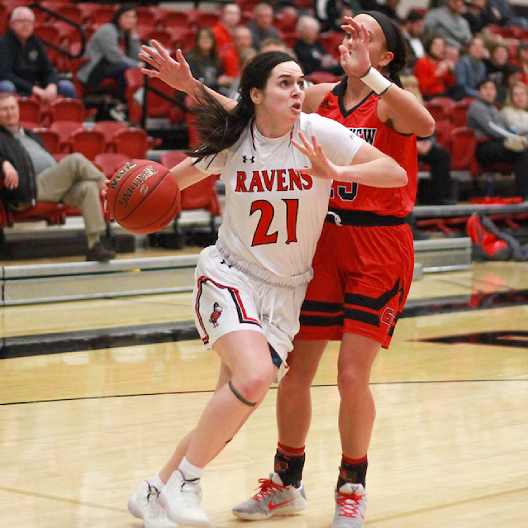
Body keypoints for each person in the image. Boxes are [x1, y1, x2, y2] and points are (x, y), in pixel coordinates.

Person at [129, 48, 406, 528]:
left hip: (287, 292)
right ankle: (186, 485)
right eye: (285, 83)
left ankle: (154, 491)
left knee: (234, 403)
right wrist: (127, 202)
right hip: (229, 272)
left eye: (301, 82)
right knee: (255, 377)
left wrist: (337, 173)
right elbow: (167, 186)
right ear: (256, 94)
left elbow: (394, 173)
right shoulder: (236, 141)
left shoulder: (318, 134)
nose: (298, 90)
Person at [0, 93, 114, 261]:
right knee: (75, 160)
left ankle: (94, 245)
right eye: (4, 109)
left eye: (12, 108)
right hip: (30, 189)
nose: (10, 112)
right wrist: (3, 163)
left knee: (88, 188)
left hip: (52, 186)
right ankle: (110, 187)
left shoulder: (30, 134)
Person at [467, 78, 528, 198]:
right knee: (522, 153)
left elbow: (504, 130)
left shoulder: (493, 108)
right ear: (479, 92)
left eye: (492, 89)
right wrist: (515, 138)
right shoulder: (477, 106)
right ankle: (522, 195)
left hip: (496, 144)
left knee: (523, 151)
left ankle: (522, 193)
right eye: (485, 88)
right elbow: (493, 129)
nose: (489, 92)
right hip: (483, 147)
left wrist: (514, 137)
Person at [0, 7, 76, 100]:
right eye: (21, 21)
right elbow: (5, 74)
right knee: (7, 86)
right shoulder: (4, 43)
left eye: (29, 22)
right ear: (12, 24)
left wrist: (52, 85)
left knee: (66, 86)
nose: (26, 25)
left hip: (36, 85)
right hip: (17, 86)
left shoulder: (36, 42)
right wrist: (33, 89)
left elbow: (49, 69)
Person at [77, 4, 140, 106]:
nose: (131, 20)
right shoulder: (108, 30)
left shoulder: (124, 33)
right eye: (127, 16)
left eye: (134, 17)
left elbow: (134, 57)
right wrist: (138, 65)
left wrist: (133, 36)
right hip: (93, 70)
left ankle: (123, 103)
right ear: (118, 17)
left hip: (108, 68)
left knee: (127, 70)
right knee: (125, 68)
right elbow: (114, 57)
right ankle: (121, 102)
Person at [185, 28, 233, 96]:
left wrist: (226, 81)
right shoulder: (190, 59)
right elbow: (195, 83)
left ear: (213, 41)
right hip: (196, 96)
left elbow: (221, 78)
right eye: (202, 37)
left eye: (208, 37)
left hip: (213, 94)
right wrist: (217, 82)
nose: (206, 40)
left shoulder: (217, 59)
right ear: (197, 41)